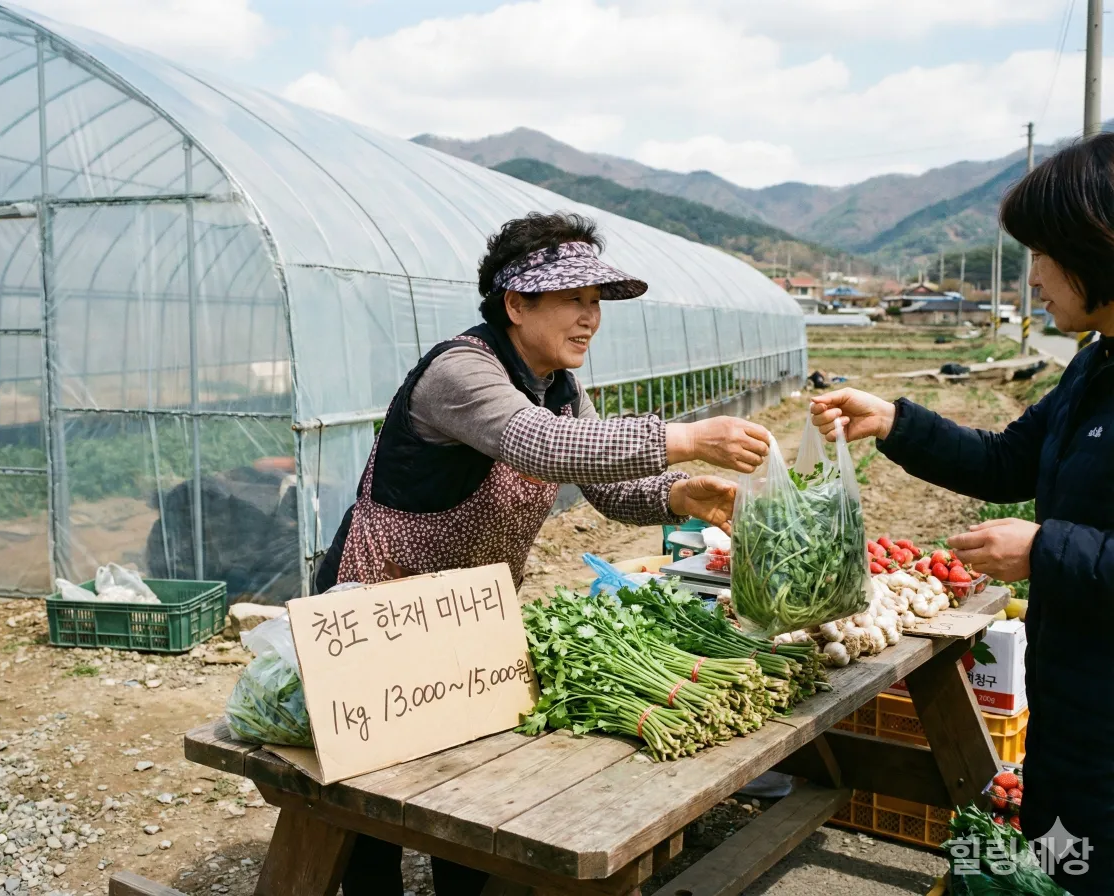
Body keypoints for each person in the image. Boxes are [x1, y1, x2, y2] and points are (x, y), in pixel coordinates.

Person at [316, 211, 771, 896]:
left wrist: (681, 496)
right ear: (516, 303)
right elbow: (543, 447)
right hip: (380, 600)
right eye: (573, 299)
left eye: (596, 303)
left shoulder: (559, 385)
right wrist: (688, 437)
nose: (590, 317)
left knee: (462, 785)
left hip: (468, 613)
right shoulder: (459, 371)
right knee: (366, 802)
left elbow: (604, 489)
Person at [810, 134, 1114, 893]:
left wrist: (1045, 550)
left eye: (1043, 251)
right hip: (1075, 709)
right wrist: (893, 421)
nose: (1033, 275)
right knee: (1058, 868)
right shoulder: (1097, 361)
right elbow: (1009, 458)